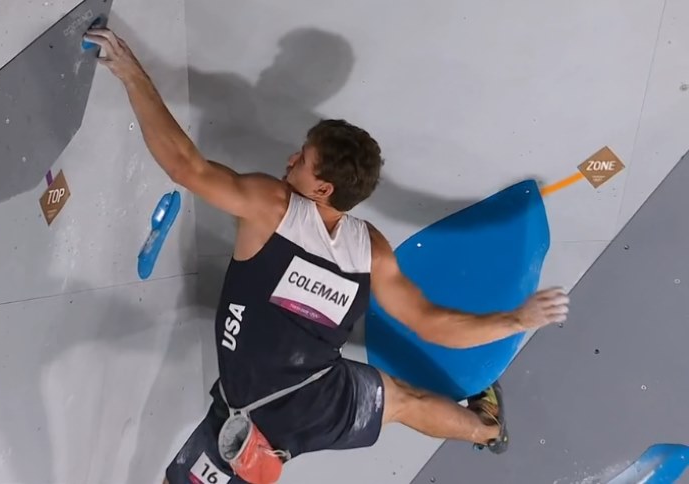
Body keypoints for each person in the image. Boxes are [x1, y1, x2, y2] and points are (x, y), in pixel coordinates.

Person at [83, 28, 570, 484]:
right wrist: (515, 320)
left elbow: (185, 167)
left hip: (253, 406)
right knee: (403, 401)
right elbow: (431, 324)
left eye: (302, 158)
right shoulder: (370, 247)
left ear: (322, 187)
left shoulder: (272, 207)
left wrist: (131, 73)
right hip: (323, 396)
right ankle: (488, 430)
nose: (290, 160)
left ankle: (486, 428)